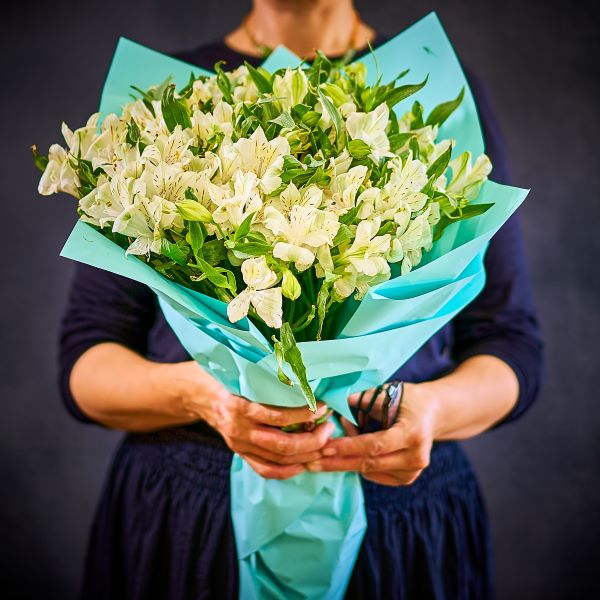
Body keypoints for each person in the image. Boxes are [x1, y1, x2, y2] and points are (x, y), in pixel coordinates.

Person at [59, 1, 543, 598]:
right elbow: (85, 363)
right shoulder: (164, 103)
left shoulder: (438, 99)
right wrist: (207, 396)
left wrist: (435, 411)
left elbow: (511, 344)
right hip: (191, 523)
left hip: (400, 521)